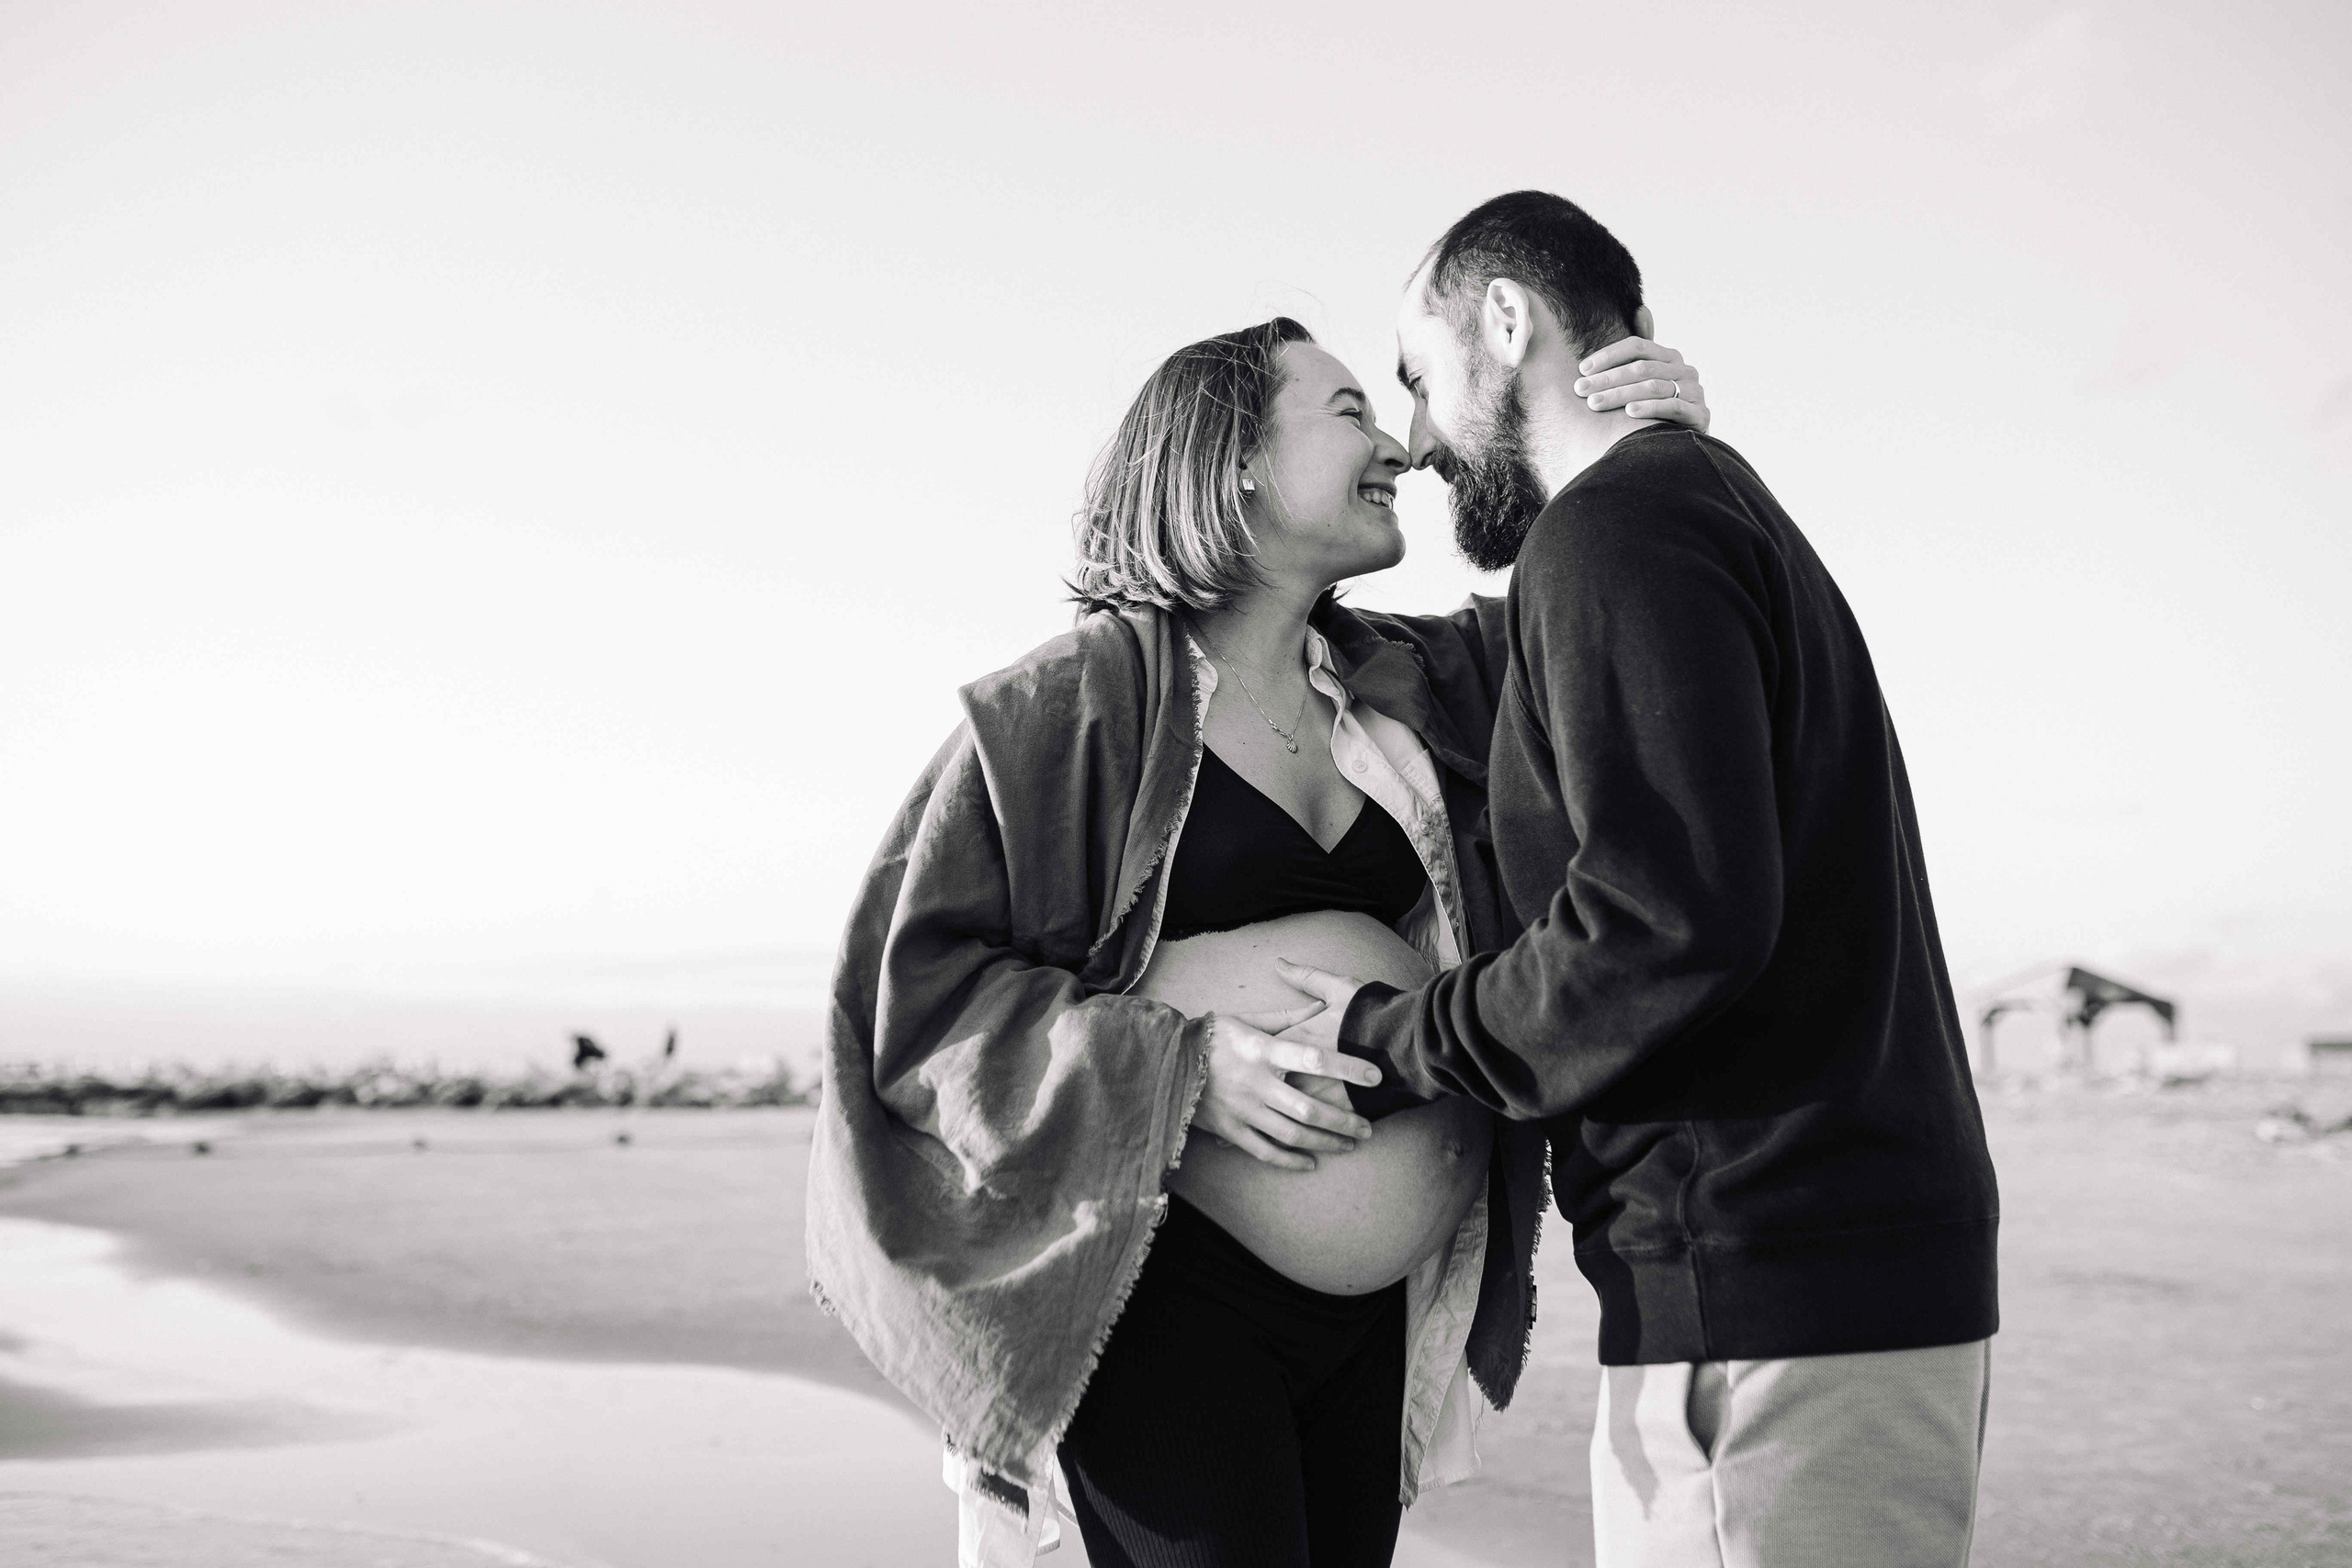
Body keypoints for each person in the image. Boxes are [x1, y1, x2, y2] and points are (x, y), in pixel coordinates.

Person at [805, 314, 1711, 1568]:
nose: (1397, 444)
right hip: (1154, 1291)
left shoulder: (1427, 680)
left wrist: (1639, 452)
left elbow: (1617, 610)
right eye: (1348, 412)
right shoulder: (1063, 714)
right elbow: (916, 1007)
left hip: (1370, 1323)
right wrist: (1182, 1072)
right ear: (1230, 459)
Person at [1276, 191, 2001, 1567]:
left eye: (1419, 379)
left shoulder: (1620, 535)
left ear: (1507, 321)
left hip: (1767, 1283)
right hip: (1820, 1273)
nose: (1419, 442)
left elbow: (1663, 926)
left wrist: (1387, 1036)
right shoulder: (1680, 512)